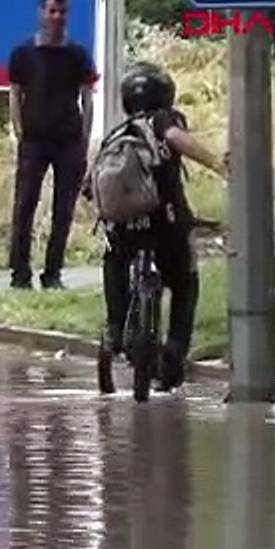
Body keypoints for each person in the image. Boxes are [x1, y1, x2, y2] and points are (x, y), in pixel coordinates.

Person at [94, 62, 227, 391]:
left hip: (124, 229)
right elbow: (176, 138)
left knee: (113, 260)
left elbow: (92, 183)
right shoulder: (164, 119)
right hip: (166, 223)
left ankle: (115, 329)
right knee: (185, 283)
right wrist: (216, 163)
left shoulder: (118, 134)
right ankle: (175, 349)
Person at [6, 0, 98, 290]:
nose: (57, 17)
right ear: (42, 13)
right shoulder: (23, 53)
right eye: (52, 11)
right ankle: (20, 273)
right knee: (24, 207)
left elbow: (87, 97)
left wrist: (85, 138)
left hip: (68, 140)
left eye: (62, 12)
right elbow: (15, 93)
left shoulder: (77, 54)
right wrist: (19, 130)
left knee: (63, 210)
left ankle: (53, 273)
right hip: (34, 140)